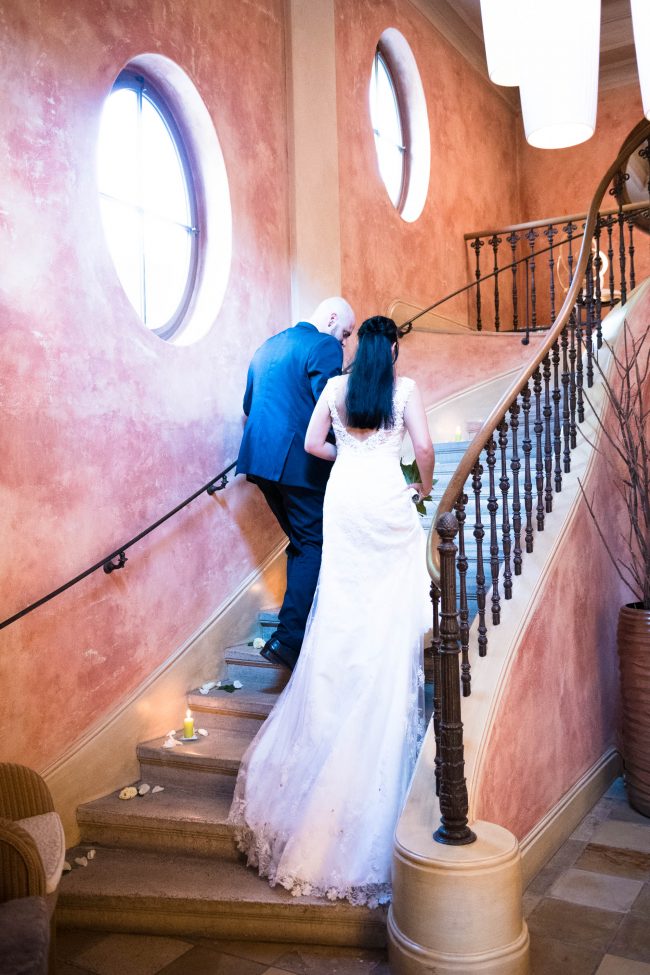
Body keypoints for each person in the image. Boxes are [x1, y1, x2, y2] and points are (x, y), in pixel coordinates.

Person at [228, 315, 435, 907]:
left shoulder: (337, 389)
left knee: (340, 611)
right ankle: (375, 698)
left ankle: (330, 705)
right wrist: (420, 487)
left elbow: (313, 443)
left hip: (344, 497)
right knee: (385, 613)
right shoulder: (406, 390)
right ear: (392, 347)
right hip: (387, 503)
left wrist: (347, 453)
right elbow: (423, 447)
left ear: (358, 345)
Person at [236, 296, 356, 671]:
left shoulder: (266, 346)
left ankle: (300, 624)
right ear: (332, 318)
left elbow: (248, 405)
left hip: (259, 461)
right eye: (346, 334)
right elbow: (332, 404)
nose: (344, 344)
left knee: (302, 544)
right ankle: (289, 640)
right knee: (312, 543)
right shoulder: (322, 344)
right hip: (300, 465)